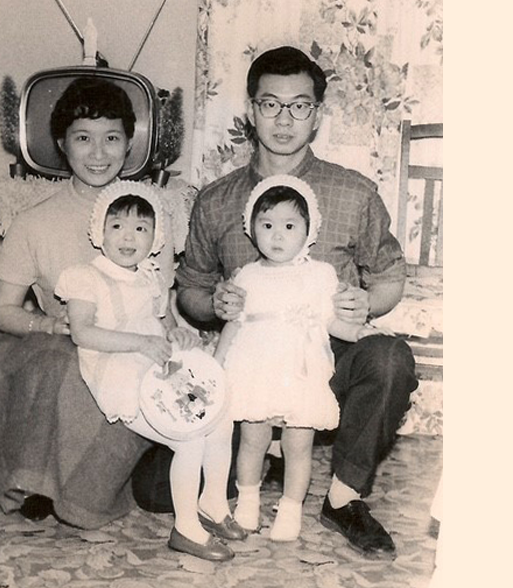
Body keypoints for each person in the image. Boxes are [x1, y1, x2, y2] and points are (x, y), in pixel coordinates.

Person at [161, 45, 419, 559]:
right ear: (251, 110)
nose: (284, 119)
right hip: (247, 365)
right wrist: (214, 302)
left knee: (390, 358)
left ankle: (343, 498)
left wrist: (363, 302)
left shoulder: (353, 192)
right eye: (270, 104)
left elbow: (390, 274)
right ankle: (266, 460)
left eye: (299, 105)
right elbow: (189, 288)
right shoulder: (216, 199)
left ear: (317, 114)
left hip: (325, 357)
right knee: (156, 492)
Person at [0, 76, 176, 529]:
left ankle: (92, 487)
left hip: (128, 351)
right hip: (56, 349)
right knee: (63, 361)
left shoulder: (151, 218)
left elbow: (158, 305)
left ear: (129, 144)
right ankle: (38, 482)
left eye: (112, 138)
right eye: (83, 139)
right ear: (61, 143)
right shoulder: (33, 222)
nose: (99, 153)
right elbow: (2, 311)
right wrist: (48, 325)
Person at [56, 182, 244, 561]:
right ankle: (186, 528)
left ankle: (212, 502)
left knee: (220, 418)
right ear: (100, 232)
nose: (129, 237)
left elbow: (163, 319)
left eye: (141, 229)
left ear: (154, 237)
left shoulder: (150, 275)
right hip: (118, 369)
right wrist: (141, 343)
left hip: (155, 360)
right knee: (189, 438)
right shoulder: (84, 276)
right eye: (118, 227)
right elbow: (83, 332)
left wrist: (174, 330)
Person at [213, 175, 392, 542]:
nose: (277, 236)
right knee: (253, 439)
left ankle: (291, 509)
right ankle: (247, 501)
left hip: (299, 370)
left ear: (308, 232)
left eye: (289, 226)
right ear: (252, 230)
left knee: (298, 444)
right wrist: (216, 366)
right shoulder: (247, 275)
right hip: (255, 367)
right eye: (267, 226)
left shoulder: (319, 274)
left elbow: (333, 322)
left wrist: (361, 331)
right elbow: (235, 324)